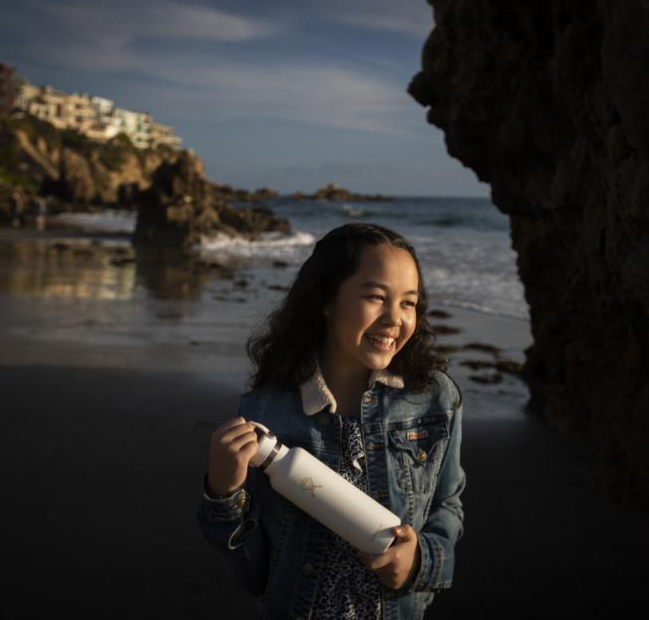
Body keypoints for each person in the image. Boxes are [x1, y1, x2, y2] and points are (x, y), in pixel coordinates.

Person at [197, 223, 465, 619]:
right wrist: (223, 493)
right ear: (326, 299)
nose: (395, 319)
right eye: (376, 296)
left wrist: (420, 561)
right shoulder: (266, 411)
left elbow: (448, 506)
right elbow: (253, 574)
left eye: (408, 302)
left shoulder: (434, 400)